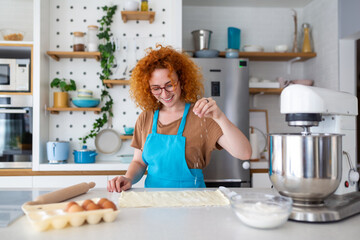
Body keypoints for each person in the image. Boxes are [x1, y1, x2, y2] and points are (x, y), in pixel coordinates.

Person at [107, 45, 251, 192]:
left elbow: (244, 153)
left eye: (170, 85)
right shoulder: (146, 117)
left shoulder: (202, 116)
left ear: (182, 80)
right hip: (153, 202)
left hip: (193, 204)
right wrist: (128, 178)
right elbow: (139, 161)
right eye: (156, 88)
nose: (164, 94)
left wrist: (220, 117)